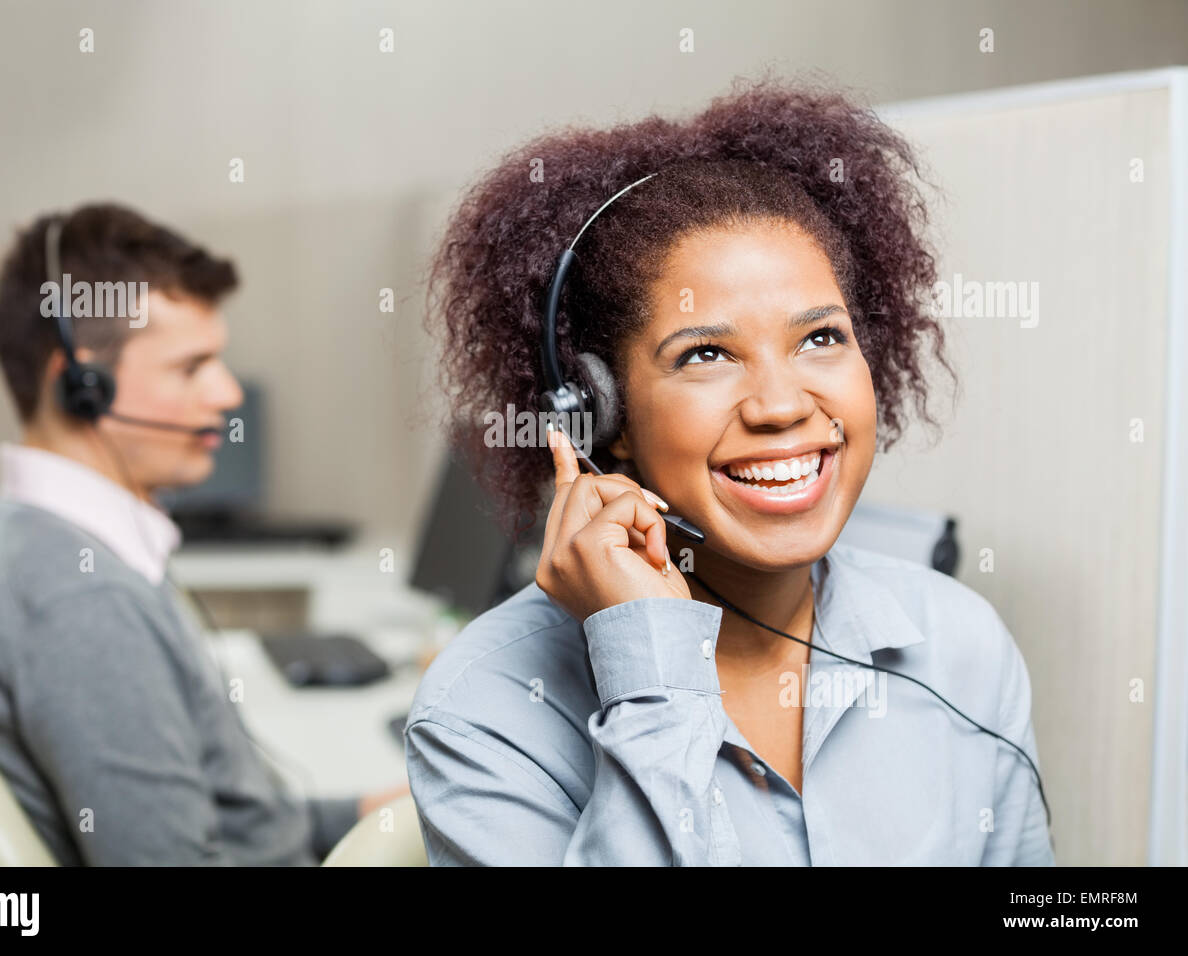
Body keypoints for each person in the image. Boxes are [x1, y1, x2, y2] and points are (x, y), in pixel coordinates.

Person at [404, 74, 1055, 865]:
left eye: (820, 338)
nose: (781, 405)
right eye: (706, 354)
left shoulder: (960, 646)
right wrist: (647, 668)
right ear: (600, 417)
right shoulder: (486, 709)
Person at [0, 203, 405, 865]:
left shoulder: (63, 551)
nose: (226, 394)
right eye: (192, 367)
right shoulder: (78, 597)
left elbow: (236, 825)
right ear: (80, 387)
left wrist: (376, 812)